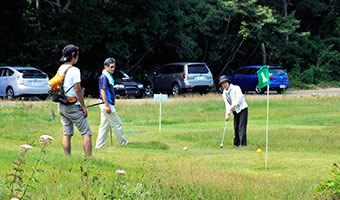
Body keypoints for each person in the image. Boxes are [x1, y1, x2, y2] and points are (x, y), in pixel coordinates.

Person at [57, 44, 92, 157]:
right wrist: (83, 107)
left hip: (62, 104)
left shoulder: (61, 68)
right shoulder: (75, 70)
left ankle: (67, 158)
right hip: (72, 105)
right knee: (86, 132)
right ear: (73, 56)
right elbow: (78, 90)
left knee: (67, 133)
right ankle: (89, 159)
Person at [95, 58, 129, 148]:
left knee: (104, 126)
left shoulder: (108, 76)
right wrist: (107, 105)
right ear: (105, 67)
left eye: (114, 66)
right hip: (107, 105)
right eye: (111, 67)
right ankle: (124, 143)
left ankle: (99, 145)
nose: (113, 68)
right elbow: (103, 91)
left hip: (106, 104)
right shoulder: (104, 77)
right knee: (117, 123)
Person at [219, 75, 248, 147]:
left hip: (242, 109)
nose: (224, 85)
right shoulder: (224, 93)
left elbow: (239, 100)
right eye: (222, 84)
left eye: (225, 82)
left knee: (241, 127)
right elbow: (227, 104)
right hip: (235, 111)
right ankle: (236, 144)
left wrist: (231, 108)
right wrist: (227, 114)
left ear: (228, 82)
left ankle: (243, 144)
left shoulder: (236, 88)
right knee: (236, 127)